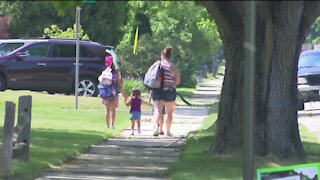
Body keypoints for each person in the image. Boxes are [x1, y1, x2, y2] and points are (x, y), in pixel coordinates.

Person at [151, 45, 180, 136]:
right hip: (169, 91)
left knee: (157, 110)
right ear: (170, 56)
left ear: (162, 56)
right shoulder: (173, 67)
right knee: (169, 112)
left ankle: (156, 127)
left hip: (158, 90)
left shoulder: (157, 65)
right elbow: (178, 81)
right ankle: (167, 131)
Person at [101, 55, 128, 129]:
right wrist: (125, 96)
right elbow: (119, 85)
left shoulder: (104, 72)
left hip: (105, 92)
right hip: (113, 93)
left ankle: (107, 125)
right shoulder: (115, 73)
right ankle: (112, 125)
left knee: (107, 110)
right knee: (113, 110)